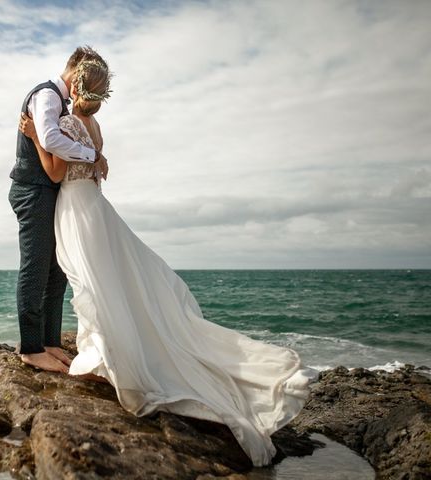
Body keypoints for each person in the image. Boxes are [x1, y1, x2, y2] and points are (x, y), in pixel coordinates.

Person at [19, 57, 316, 467]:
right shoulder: (96, 129)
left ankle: (97, 355)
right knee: (108, 279)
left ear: (77, 87)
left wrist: (36, 137)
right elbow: (96, 169)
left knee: (89, 281)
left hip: (74, 210)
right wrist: (91, 157)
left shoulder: (68, 124)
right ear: (100, 97)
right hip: (96, 208)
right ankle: (89, 349)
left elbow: (53, 174)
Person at [9, 46, 109, 374]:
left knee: (56, 272)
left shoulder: (67, 106)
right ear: (77, 69)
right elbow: (50, 139)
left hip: (52, 194)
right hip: (33, 191)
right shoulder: (47, 96)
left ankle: (50, 342)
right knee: (36, 268)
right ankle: (31, 348)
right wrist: (91, 154)